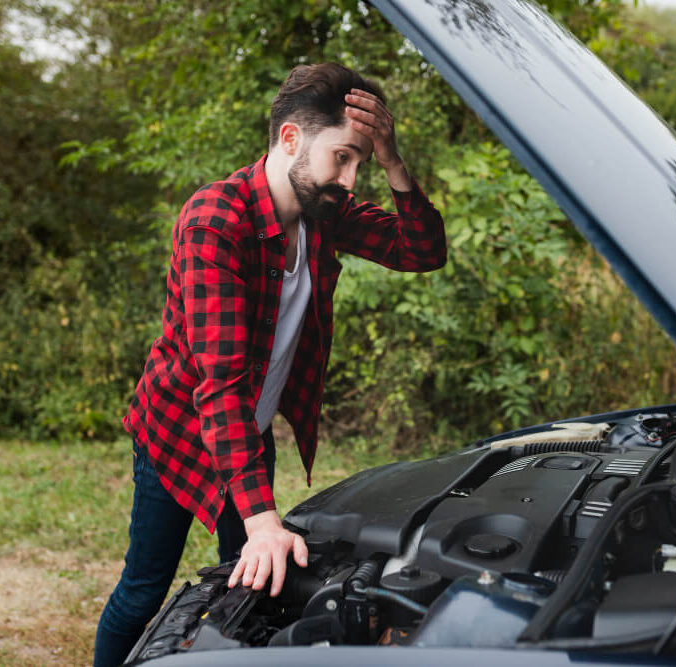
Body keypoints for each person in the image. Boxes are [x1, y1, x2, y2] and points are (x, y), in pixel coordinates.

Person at [93, 62, 446, 666]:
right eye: (343, 157)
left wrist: (392, 160)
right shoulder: (215, 222)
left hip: (247, 437)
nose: (352, 178)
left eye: (361, 161)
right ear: (290, 139)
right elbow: (221, 385)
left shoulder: (323, 212)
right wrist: (263, 520)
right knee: (144, 589)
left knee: (252, 583)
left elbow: (421, 251)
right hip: (178, 433)